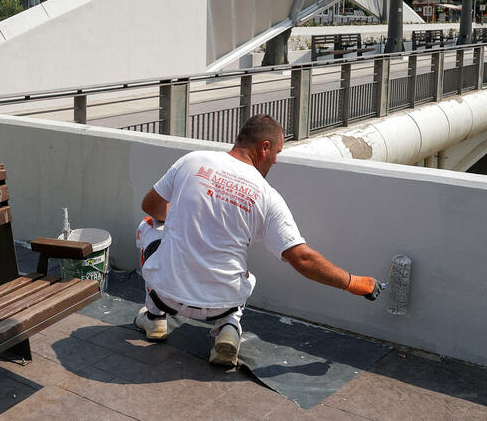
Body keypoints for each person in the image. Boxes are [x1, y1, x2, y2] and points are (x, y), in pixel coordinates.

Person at [134, 114, 382, 367]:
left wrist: (180, 219)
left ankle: (154, 318)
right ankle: (229, 328)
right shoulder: (267, 196)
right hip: (221, 304)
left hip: (167, 294)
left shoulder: (192, 161)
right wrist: (353, 282)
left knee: (148, 226)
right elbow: (303, 259)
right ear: (264, 147)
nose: (276, 159)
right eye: (277, 152)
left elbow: (151, 206)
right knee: (239, 272)